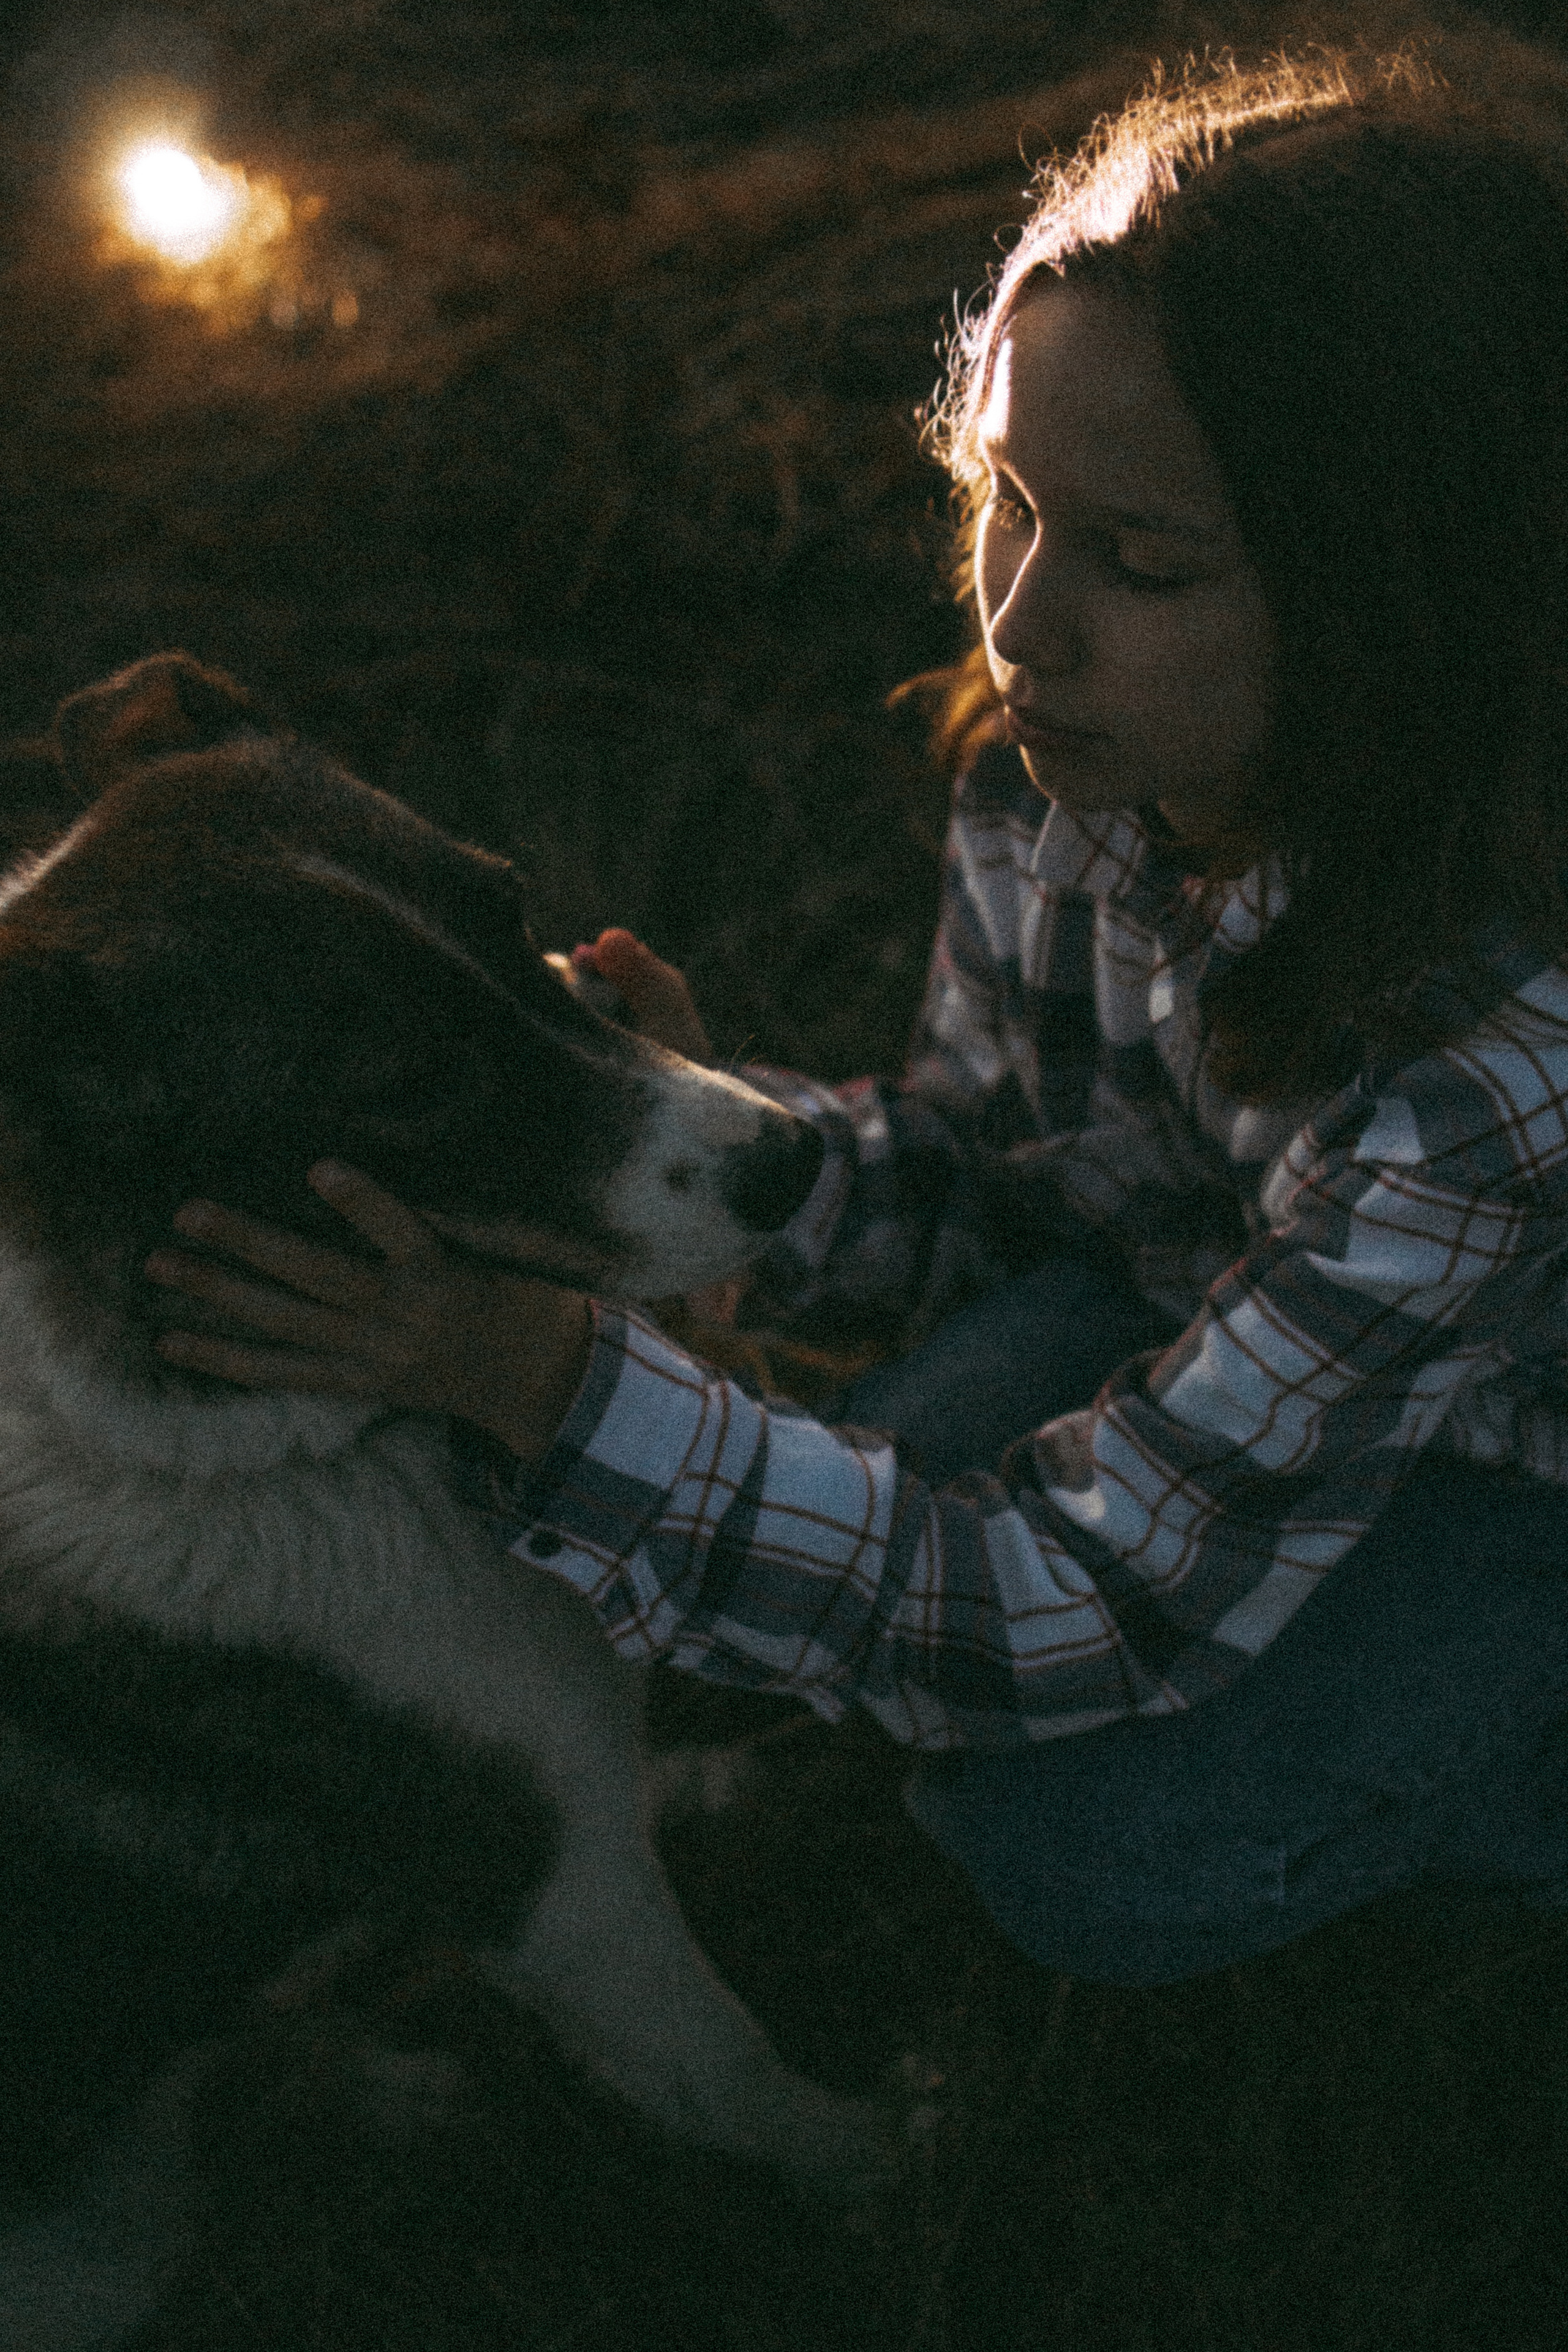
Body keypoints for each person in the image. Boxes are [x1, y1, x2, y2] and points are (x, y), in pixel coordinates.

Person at [145, 39, 1568, 1985]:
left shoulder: (1500, 1068)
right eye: (1008, 496)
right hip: (1202, 1296)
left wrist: (539, 1379)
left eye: (1144, 561)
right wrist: (693, 1145)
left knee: (1082, 1840)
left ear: (1396, 606)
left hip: (1512, 1474)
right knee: (878, 1510)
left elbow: (1080, 1609)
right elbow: (1002, 1174)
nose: (1022, 620)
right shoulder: (1063, 771)